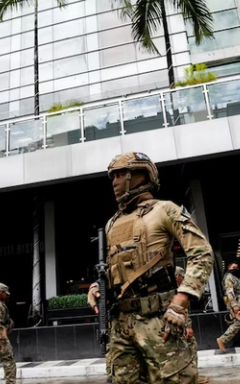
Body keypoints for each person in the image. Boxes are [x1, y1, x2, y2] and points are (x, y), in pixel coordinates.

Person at [87, 152, 214, 384]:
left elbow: (201, 253)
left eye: (118, 175)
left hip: (160, 320)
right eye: (111, 176)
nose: (113, 182)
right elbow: (116, 268)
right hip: (121, 324)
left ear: (138, 175)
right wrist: (97, 287)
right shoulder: (111, 224)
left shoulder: (165, 210)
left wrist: (181, 301)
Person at [175, 266, 209, 384]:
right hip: (177, 327)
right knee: (190, 348)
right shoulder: (175, 292)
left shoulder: (180, 290)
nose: (184, 279)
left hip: (182, 326)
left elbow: (185, 312)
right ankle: (191, 377)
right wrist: (187, 327)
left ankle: (192, 376)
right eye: (182, 277)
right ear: (177, 276)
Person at [216, 262, 240, 354]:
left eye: (237, 267)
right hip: (234, 304)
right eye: (233, 267)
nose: (236, 268)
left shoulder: (235, 277)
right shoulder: (229, 277)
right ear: (228, 267)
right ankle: (223, 339)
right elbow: (230, 292)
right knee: (239, 322)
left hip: (239, 303)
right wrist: (234, 305)